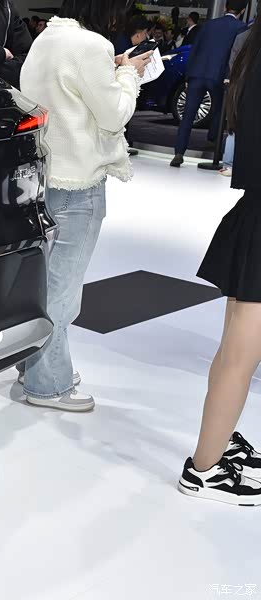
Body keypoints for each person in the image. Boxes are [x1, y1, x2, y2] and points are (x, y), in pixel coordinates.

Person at [17, 0, 152, 411]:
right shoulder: (91, 45)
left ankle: (33, 366)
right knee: (62, 292)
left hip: (43, 178)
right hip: (79, 184)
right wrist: (128, 75)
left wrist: (113, 67)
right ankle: (47, 385)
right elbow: (114, 116)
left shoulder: (47, 38)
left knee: (41, 285)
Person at [178, 17, 261, 506]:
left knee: (234, 350)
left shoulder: (253, 51)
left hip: (254, 212)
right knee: (240, 357)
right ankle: (205, 469)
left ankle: (218, 440)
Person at [170, 0, 247, 168]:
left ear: (225, 7)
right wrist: (228, 76)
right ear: (242, 11)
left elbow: (195, 49)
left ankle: (179, 152)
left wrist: (188, 75)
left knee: (188, 115)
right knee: (220, 111)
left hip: (197, 73)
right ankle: (213, 142)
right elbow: (234, 55)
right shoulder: (240, 27)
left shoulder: (209, 25)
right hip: (218, 76)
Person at [220, 25, 252, 177]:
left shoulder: (242, 36)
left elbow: (232, 61)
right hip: (250, 87)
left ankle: (228, 165)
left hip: (237, 84)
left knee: (233, 125)